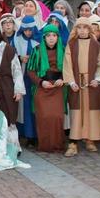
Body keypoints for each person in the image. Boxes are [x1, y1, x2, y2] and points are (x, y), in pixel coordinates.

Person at [63, 18, 100, 157]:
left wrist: (98, 79)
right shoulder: (71, 44)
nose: (82, 30)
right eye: (79, 27)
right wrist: (71, 81)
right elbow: (67, 64)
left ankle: (90, 139)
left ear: (89, 29)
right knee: (76, 112)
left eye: (85, 27)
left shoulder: (96, 45)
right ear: (76, 29)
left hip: (91, 83)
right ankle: (73, 142)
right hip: (77, 82)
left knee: (91, 112)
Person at [26, 24, 67, 153]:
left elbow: (69, 69)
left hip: (58, 87)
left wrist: (63, 79)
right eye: (48, 35)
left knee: (57, 117)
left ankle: (57, 145)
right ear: (44, 37)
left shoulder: (64, 50)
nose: (51, 38)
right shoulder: (37, 50)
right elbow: (30, 71)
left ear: (58, 37)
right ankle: (45, 145)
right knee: (44, 116)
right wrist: (41, 82)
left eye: (54, 35)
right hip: (42, 87)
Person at [14, 15, 41, 145]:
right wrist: (20, 58)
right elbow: (11, 55)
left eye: (30, 30)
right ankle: (27, 134)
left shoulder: (39, 39)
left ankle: (37, 134)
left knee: (36, 105)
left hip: (36, 78)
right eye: (26, 30)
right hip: (23, 76)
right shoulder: (16, 39)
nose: (28, 32)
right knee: (24, 106)